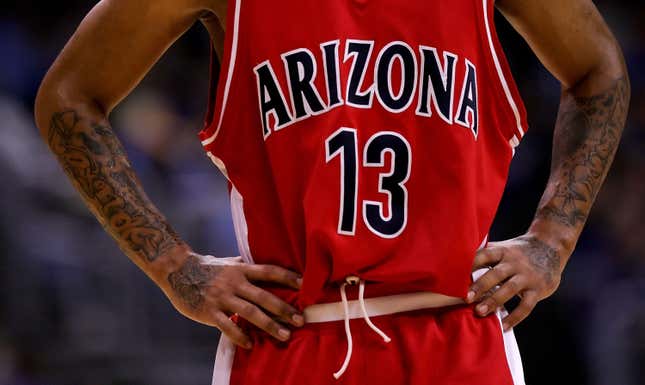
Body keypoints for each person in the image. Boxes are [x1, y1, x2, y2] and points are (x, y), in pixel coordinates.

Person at [34, 0, 630, 384]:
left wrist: (553, 238)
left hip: (457, 329)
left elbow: (598, 69)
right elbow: (69, 96)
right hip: (292, 334)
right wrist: (175, 268)